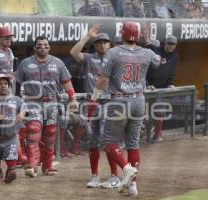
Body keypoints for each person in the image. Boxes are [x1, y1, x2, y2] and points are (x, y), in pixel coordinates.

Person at [88, 21, 161, 197]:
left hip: (119, 101)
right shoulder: (147, 52)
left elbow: (103, 80)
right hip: (139, 100)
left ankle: (127, 169)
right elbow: (158, 62)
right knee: (133, 144)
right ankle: (132, 186)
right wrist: (147, 41)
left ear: (122, 35)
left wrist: (93, 101)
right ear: (137, 36)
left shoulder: (113, 52)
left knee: (109, 142)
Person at [15, 36, 78, 177]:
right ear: (34, 47)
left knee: (50, 134)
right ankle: (31, 165)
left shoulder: (58, 63)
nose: (42, 47)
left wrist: (72, 98)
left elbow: (66, 81)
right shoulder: (25, 63)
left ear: (49, 47)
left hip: (51, 102)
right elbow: (17, 84)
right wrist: (16, 102)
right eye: (39, 45)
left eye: (45, 45)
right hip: (32, 102)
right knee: (33, 130)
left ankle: (48, 166)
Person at [70, 25, 117, 188]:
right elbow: (74, 53)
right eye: (99, 43)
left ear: (110, 44)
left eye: (105, 43)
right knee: (93, 141)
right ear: (95, 45)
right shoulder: (90, 58)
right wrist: (88, 36)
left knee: (108, 140)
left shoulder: (115, 58)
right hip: (92, 102)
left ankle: (114, 176)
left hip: (109, 101)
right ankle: (95, 176)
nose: (102, 45)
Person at [143, 25, 179, 143]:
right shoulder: (157, 50)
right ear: (165, 43)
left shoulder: (175, 56)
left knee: (159, 111)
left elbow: (172, 72)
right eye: (168, 43)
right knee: (147, 112)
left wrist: (171, 84)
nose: (170, 46)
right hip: (150, 86)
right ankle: (148, 134)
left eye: (172, 44)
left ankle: (157, 134)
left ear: (175, 46)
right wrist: (147, 84)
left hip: (162, 88)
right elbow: (148, 44)